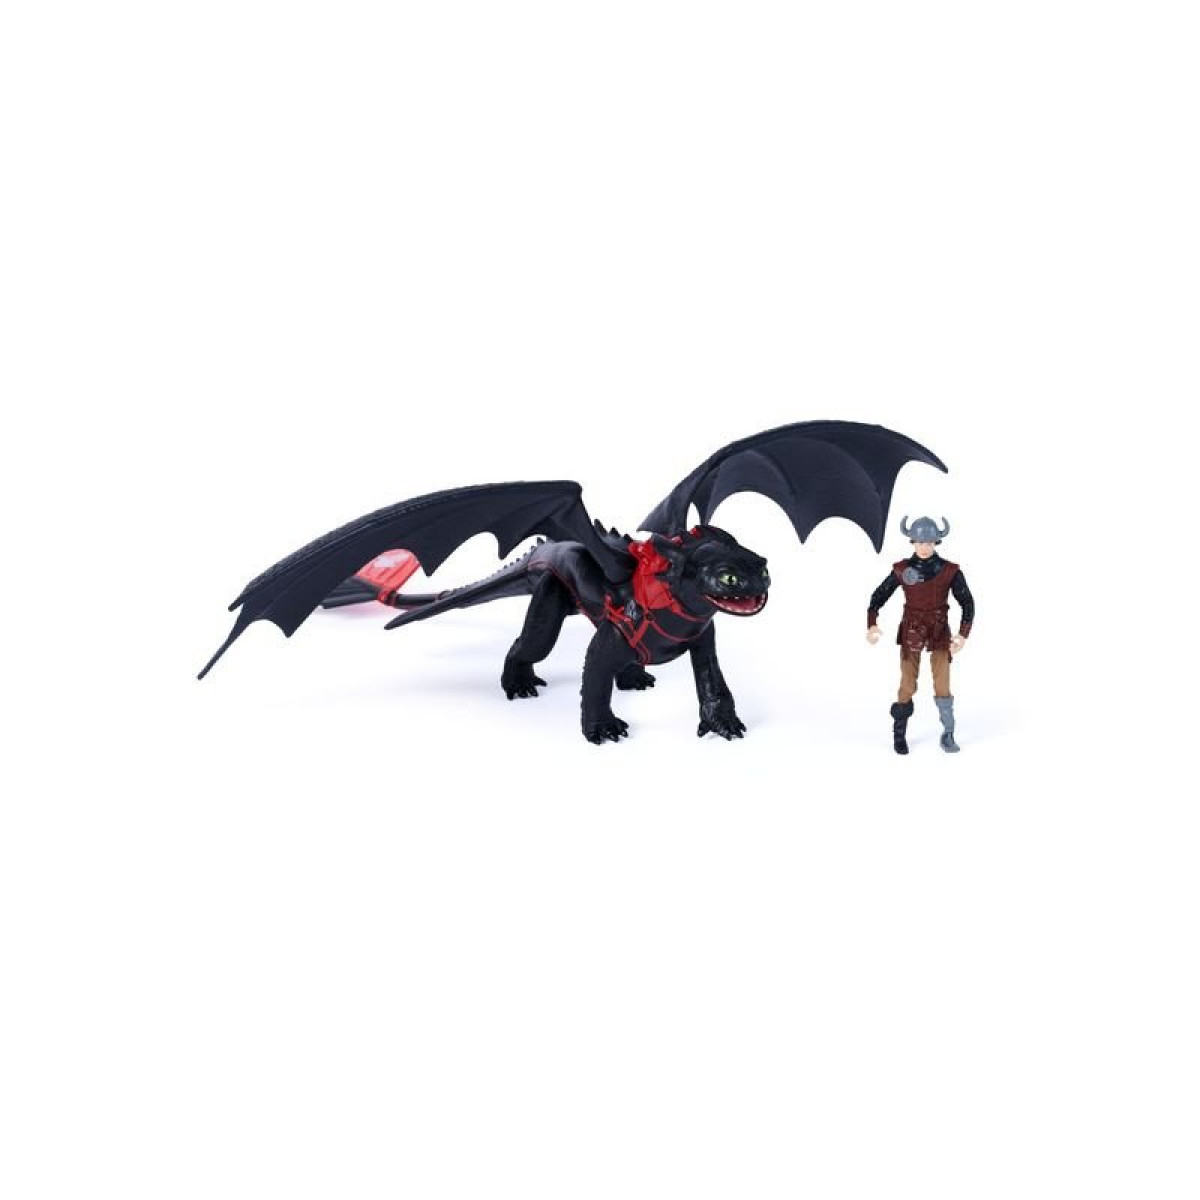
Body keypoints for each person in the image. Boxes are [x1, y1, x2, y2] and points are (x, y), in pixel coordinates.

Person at [866, 516, 974, 754]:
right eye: (920, 542)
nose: (924, 547)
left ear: (936, 542)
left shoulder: (949, 571)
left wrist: (962, 634)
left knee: (942, 684)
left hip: (939, 631)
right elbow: (878, 596)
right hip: (911, 630)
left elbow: (967, 601)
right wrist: (872, 623)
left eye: (929, 542)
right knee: (907, 683)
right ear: (912, 542)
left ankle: (948, 733)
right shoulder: (903, 569)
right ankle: (899, 734)